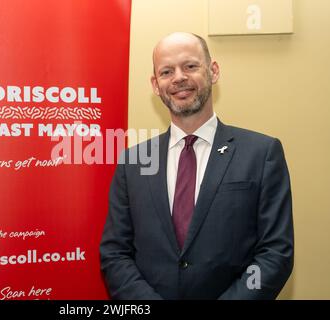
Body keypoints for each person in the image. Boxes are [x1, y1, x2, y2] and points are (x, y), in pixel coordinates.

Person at [100, 32, 294, 299]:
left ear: (213, 72)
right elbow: (115, 254)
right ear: (156, 85)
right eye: (167, 71)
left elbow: (275, 254)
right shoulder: (132, 162)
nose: (179, 77)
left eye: (190, 66)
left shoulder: (262, 154)